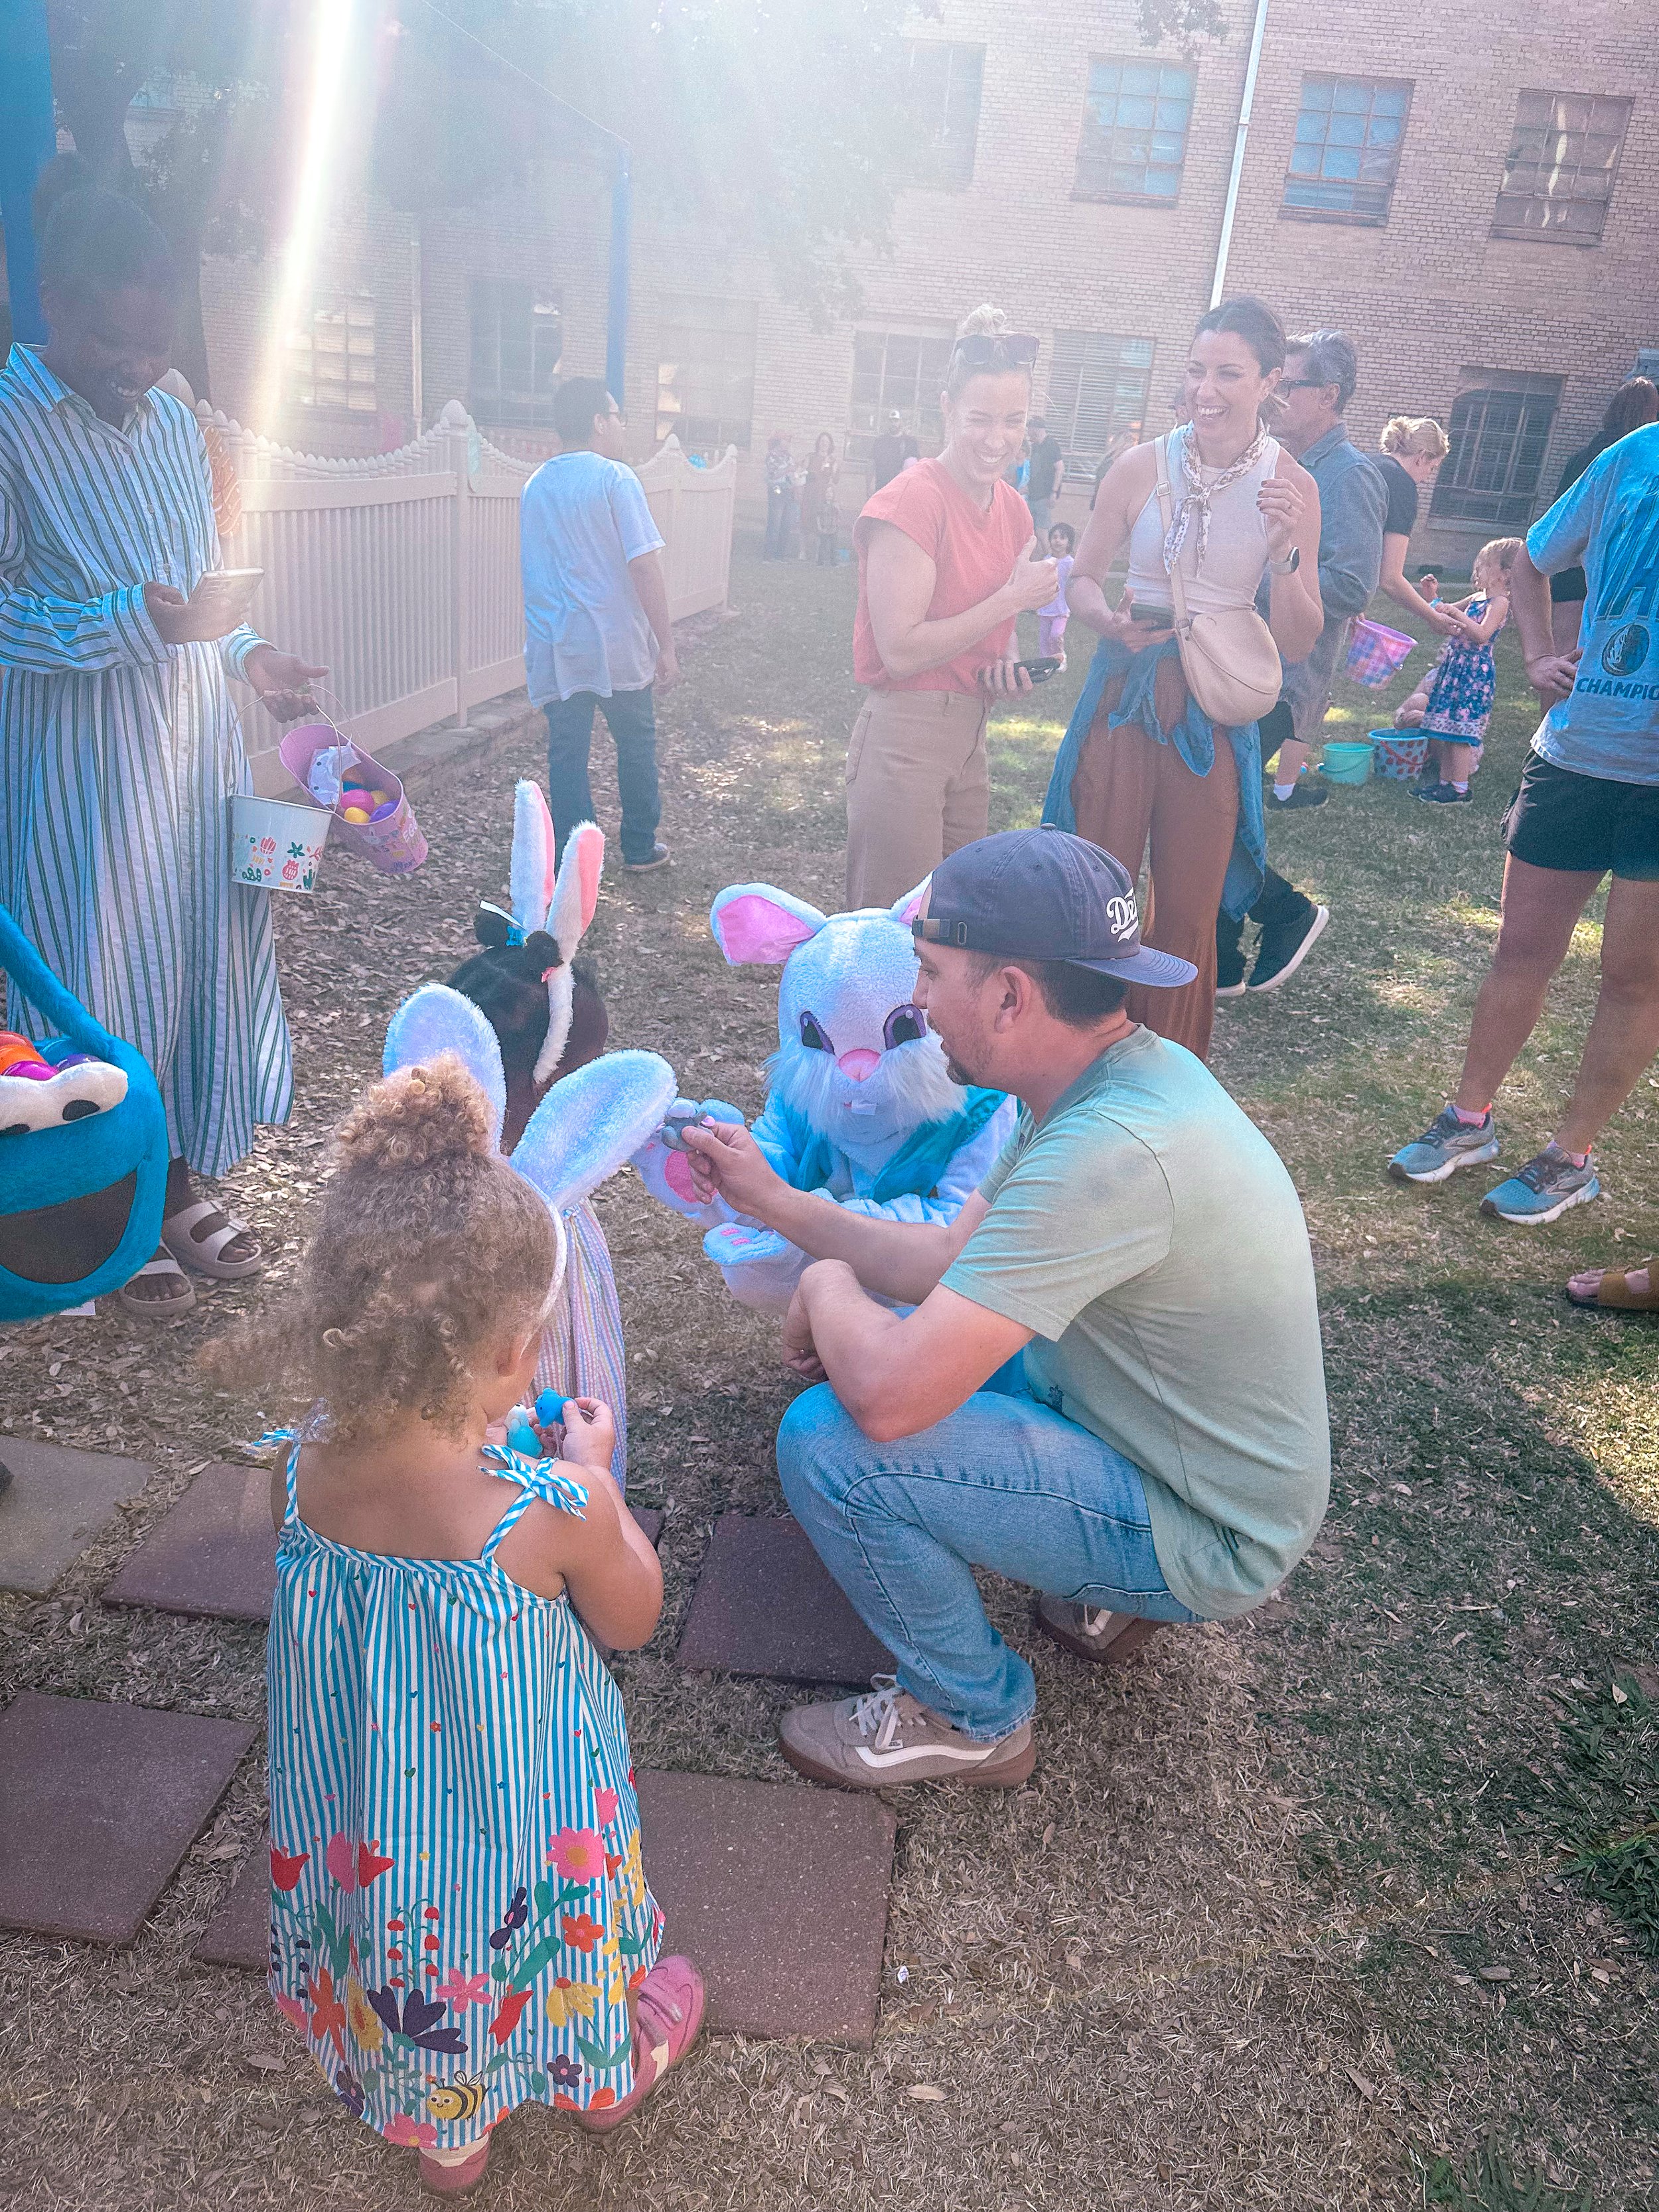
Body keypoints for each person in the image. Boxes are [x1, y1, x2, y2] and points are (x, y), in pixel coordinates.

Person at [677, 830, 1330, 1789]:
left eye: (930, 974)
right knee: (944, 1342)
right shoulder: (1102, 1080)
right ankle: (1108, 1588)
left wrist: (822, 1282)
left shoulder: (1105, 1153)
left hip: (1213, 1529)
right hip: (1176, 1450)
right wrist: (773, 1201)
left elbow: (890, 1402)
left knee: (833, 1445)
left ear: (1011, 995)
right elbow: (950, 1257)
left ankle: (971, 1716)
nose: (919, 1001)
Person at [211, 1055, 703, 2191]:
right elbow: (633, 1616)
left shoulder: (293, 1468)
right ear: (514, 1353)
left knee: (415, 1948)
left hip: (375, 1828)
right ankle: (606, 2072)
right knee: (548, 1933)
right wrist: (596, 1477)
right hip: (528, 1819)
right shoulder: (552, 1510)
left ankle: (449, 2135)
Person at [0, 186, 326, 1319]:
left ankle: (175, 1177)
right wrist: (129, 622)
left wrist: (252, 654)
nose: (138, 367)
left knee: (194, 966)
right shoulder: (9, 421)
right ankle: (101, 1211)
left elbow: (196, 597)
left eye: (155, 344)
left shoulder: (176, 425)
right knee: (92, 983)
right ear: (54, 300)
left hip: (192, 761)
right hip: (78, 772)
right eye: (113, 341)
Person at [1387, 415, 1659, 1224]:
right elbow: (1530, 560)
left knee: (1633, 977)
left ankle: (1570, 1158)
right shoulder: (1633, 454)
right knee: (1520, 950)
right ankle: (1467, 1120)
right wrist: (1537, 654)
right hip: (1575, 753)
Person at [1041, 296, 1323, 1061]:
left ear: (1269, 381)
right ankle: (1070, 1062)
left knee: (1189, 914)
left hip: (1212, 709)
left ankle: (1165, 1076)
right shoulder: (1140, 464)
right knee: (1094, 893)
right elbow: (1082, 579)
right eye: (1197, 370)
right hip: (1124, 694)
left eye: (1228, 373)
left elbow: (1299, 639)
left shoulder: (1291, 485)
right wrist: (1105, 620)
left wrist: (1283, 551)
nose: (1206, 389)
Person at [844, 305, 1058, 911]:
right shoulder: (911, 501)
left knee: (956, 930)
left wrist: (1008, 668)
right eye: (979, 419)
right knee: (894, 934)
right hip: (903, 739)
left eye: (1013, 420)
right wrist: (1011, 599)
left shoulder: (1014, 509)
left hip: (972, 734)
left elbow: (997, 635)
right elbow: (901, 650)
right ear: (946, 408)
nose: (997, 439)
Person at [522, 377, 679, 874]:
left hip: (557, 644)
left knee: (567, 755)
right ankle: (639, 846)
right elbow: (644, 566)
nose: (622, 425)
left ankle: (578, 863)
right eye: (617, 416)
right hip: (615, 643)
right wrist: (667, 644)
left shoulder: (536, 486)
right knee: (635, 743)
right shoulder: (615, 479)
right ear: (598, 422)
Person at [1261, 329, 1387, 811]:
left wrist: (1253, 580)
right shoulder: (1279, 461)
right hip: (1243, 659)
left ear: (1328, 396)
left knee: (1220, 810)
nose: (1274, 397)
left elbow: (1353, 587)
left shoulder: (1351, 475)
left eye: (1288, 386)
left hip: (1284, 679)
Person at [1399, 536, 1520, 803]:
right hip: (1454, 669)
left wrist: (1457, 615)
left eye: (1486, 565)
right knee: (1447, 729)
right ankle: (1445, 784)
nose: (1478, 569)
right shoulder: (1477, 597)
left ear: (1505, 573)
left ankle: (1461, 789)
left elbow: (1482, 635)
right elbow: (1443, 615)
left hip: (1473, 674)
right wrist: (1432, 598)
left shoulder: (1500, 603)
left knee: (1461, 733)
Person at [1544, 378, 1659, 654]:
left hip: (1569, 566)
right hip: (1614, 572)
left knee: (1564, 657)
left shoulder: (1583, 458)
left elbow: (1558, 515)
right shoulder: (1638, 463)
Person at [1374, 417, 1457, 634]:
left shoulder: (1366, 463)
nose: (1428, 478)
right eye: (1432, 467)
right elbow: (1390, 579)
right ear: (1421, 457)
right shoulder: (1402, 487)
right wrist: (1434, 617)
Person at [1038, 522, 1074, 666]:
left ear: (1069, 542)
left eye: (1062, 538)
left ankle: (1060, 658)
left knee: (1056, 635)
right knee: (1044, 640)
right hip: (1045, 608)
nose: (1058, 541)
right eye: (1055, 537)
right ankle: (1045, 664)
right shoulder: (1046, 561)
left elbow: (1073, 585)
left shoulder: (1071, 563)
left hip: (1061, 609)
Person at [799, 431, 839, 559]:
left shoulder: (832, 460)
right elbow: (801, 473)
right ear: (818, 443)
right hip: (809, 493)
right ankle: (803, 552)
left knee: (819, 523)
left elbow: (835, 480)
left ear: (830, 444)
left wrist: (835, 467)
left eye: (827, 442)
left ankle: (818, 553)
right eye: (822, 441)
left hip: (822, 495)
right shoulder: (810, 457)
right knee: (805, 521)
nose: (824, 444)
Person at [1025, 413, 1065, 537]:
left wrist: (1054, 492)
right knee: (1031, 532)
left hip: (1044, 496)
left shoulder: (1051, 445)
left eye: (1030, 429)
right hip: (1033, 495)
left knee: (1042, 531)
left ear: (1036, 429)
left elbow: (1060, 468)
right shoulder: (1035, 446)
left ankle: (1049, 550)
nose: (1028, 433)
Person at [762, 432, 796, 560]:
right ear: (778, 441)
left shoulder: (789, 457)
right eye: (785, 440)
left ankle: (781, 554)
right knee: (775, 522)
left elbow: (794, 473)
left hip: (789, 490)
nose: (788, 443)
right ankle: (769, 554)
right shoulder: (771, 456)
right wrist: (788, 469)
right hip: (777, 490)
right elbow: (773, 475)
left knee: (786, 523)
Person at [870, 409, 918, 492]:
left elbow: (915, 466)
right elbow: (872, 463)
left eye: (896, 421)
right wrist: (870, 483)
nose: (893, 423)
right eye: (891, 421)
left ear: (901, 422)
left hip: (901, 488)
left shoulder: (910, 442)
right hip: (882, 486)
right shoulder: (880, 441)